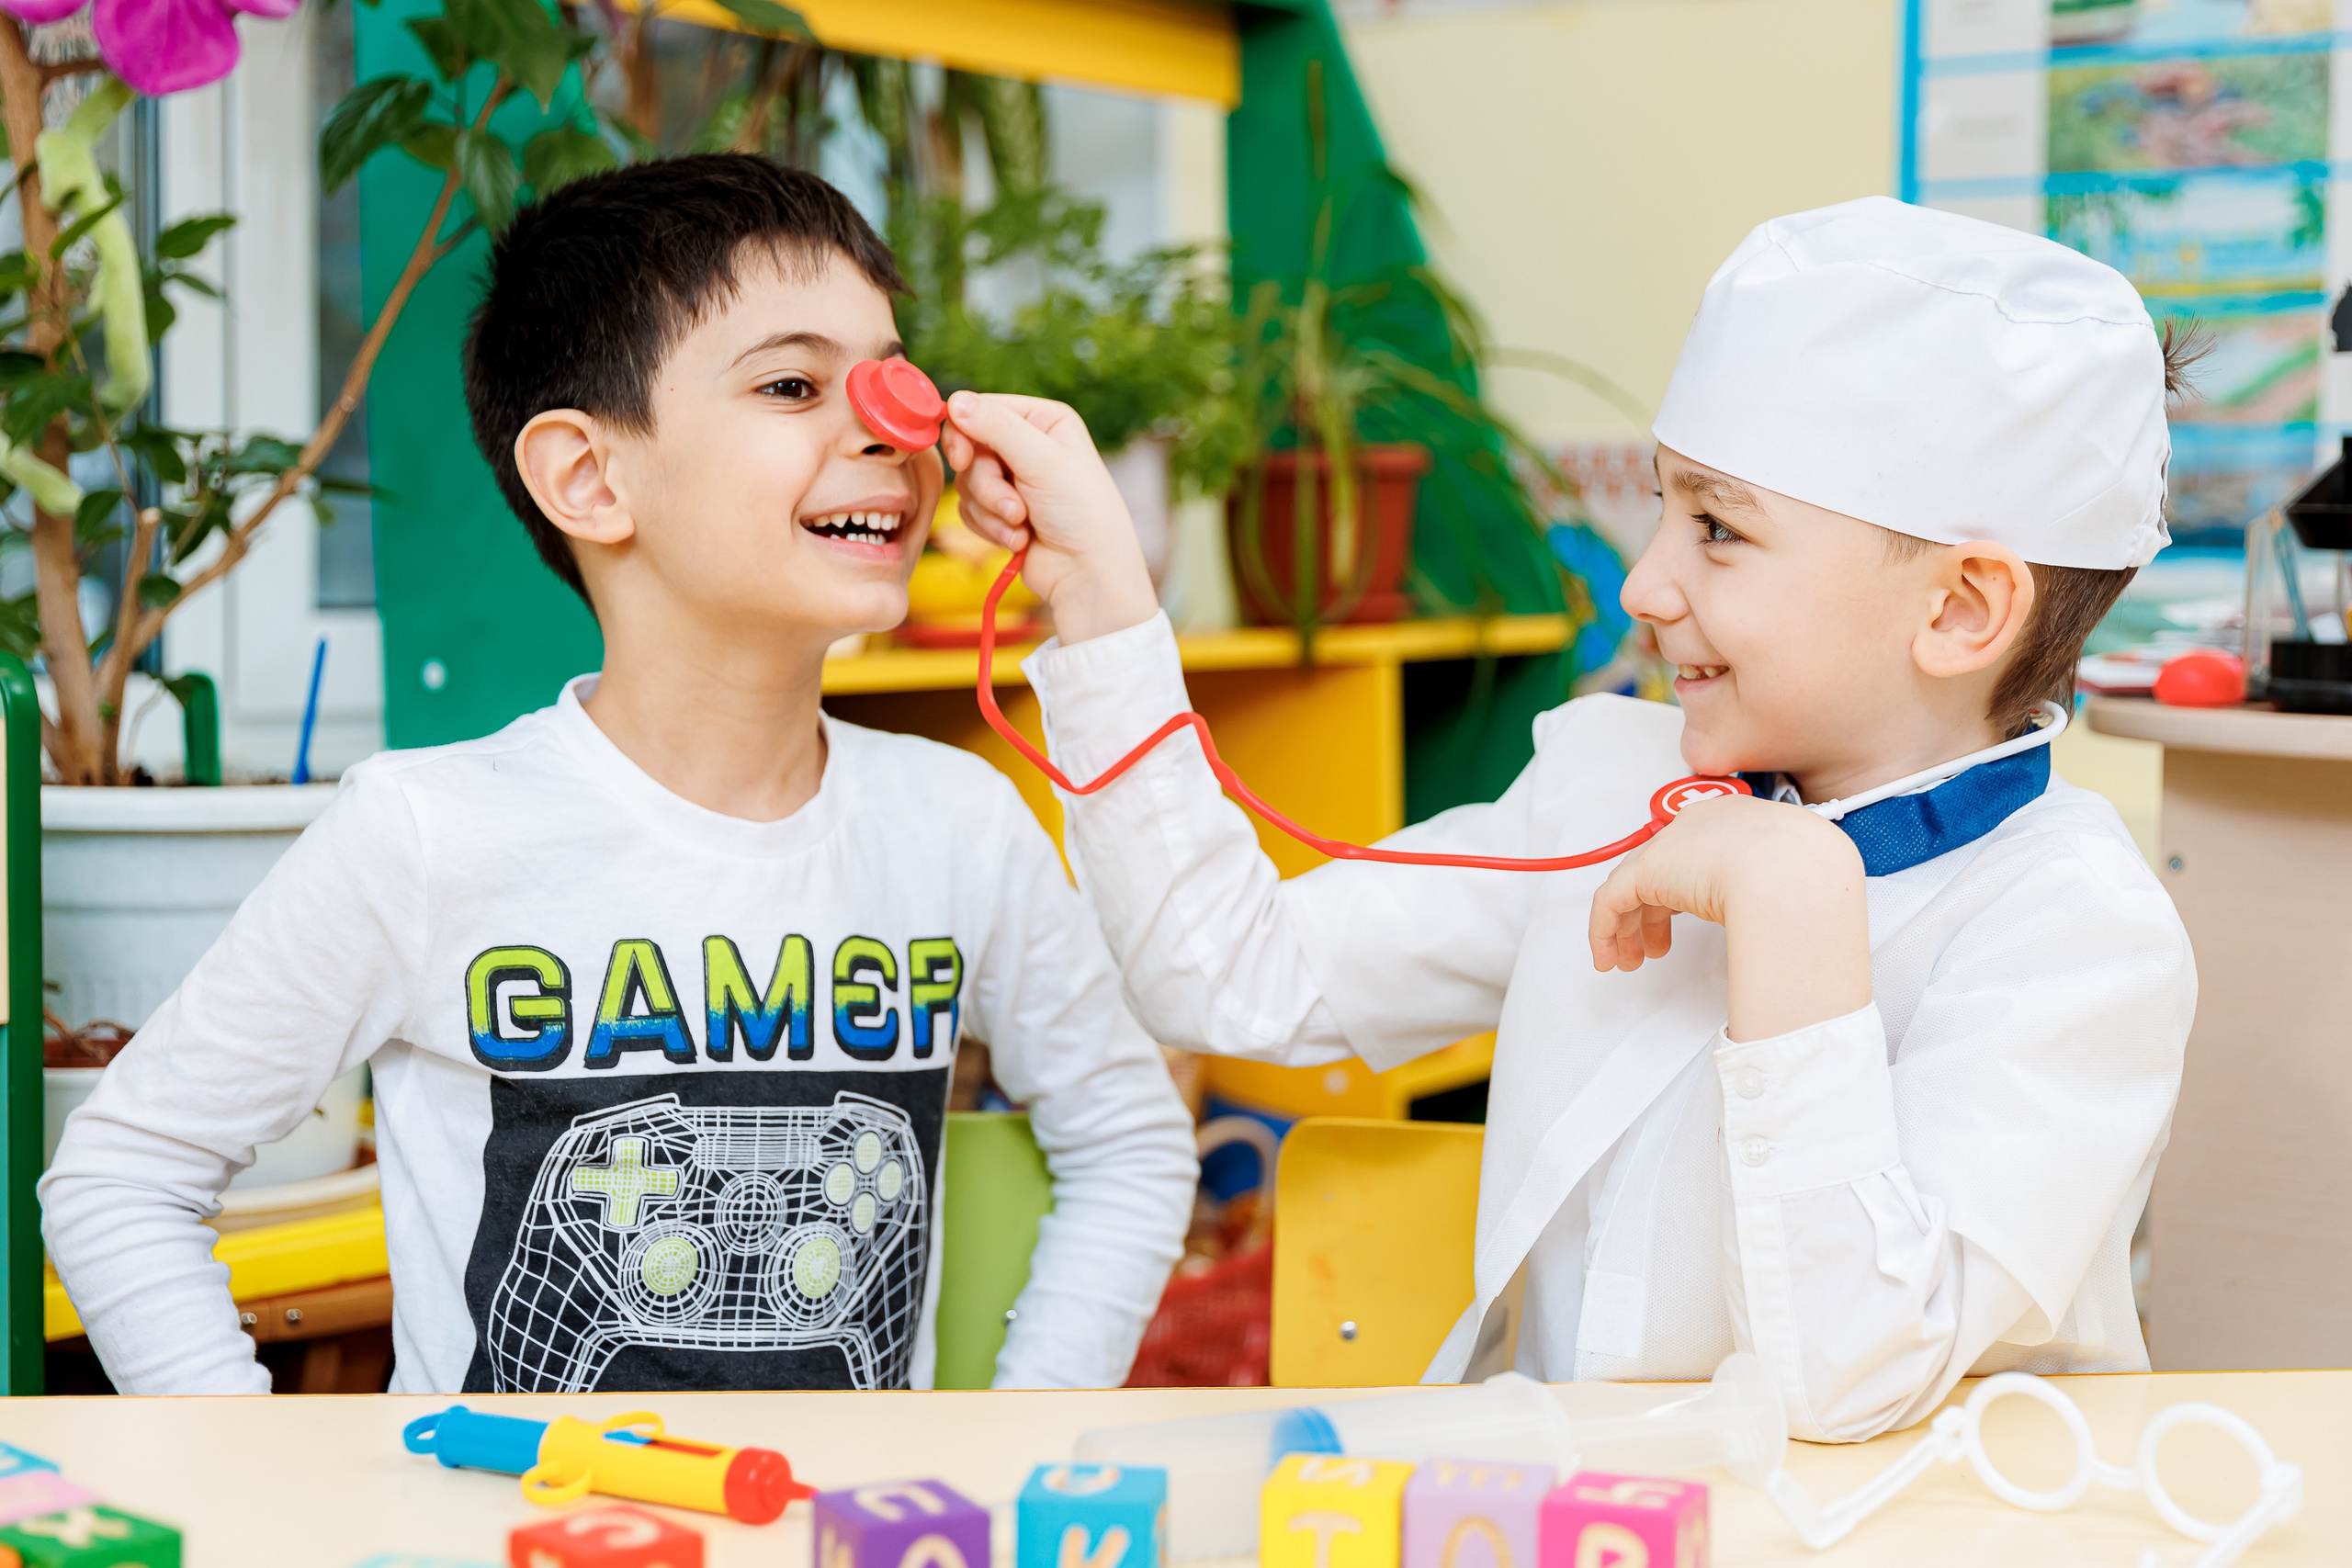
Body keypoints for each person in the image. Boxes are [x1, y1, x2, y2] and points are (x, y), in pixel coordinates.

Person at [940, 197, 2196, 1441]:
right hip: (1569, 1509)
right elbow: (1222, 975)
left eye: (1719, 530)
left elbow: (1846, 1385)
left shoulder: (2078, 937)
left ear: (1963, 610)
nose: (1645, 583)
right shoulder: (1608, 787)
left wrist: (1792, 904)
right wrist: (1102, 601)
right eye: (1664, 510)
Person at [41, 154, 1197, 1396]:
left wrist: (1024, 1425)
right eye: (794, 384)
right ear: (590, 479)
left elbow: (1130, 1139)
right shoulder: (423, 833)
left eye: (892, 375)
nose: (892, 428)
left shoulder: (959, 823)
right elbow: (121, 1176)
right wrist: (269, 1476)